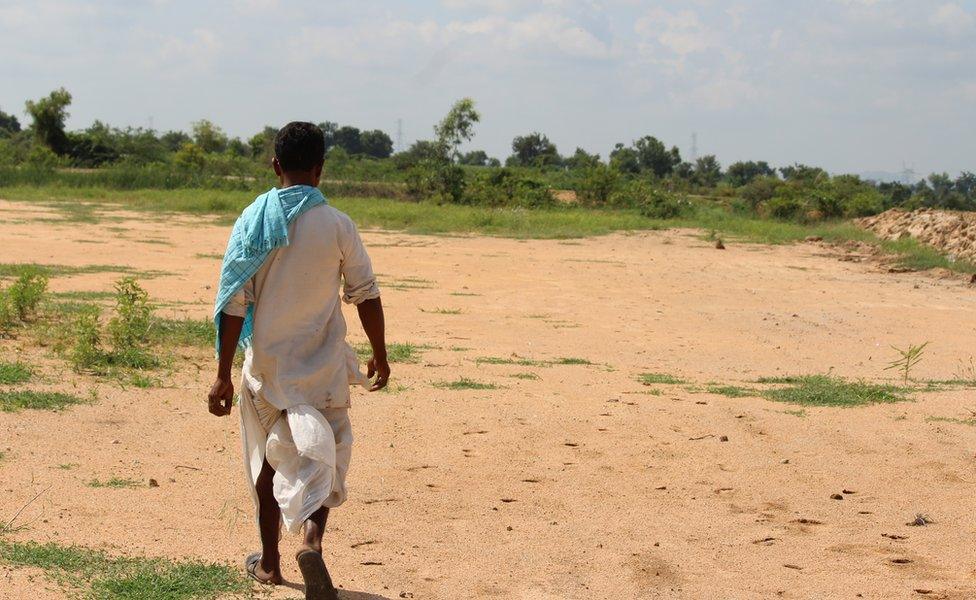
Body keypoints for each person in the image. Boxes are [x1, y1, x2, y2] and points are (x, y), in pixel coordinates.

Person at [208, 121, 389, 600]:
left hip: (267, 370)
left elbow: (234, 301)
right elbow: (365, 293)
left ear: (275, 166)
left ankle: (269, 562)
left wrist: (223, 374)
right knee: (324, 453)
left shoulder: (252, 219)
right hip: (324, 366)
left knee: (269, 462)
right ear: (320, 168)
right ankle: (311, 540)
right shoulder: (337, 224)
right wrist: (380, 354)